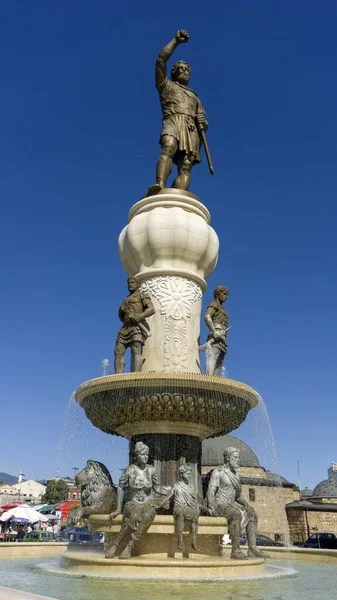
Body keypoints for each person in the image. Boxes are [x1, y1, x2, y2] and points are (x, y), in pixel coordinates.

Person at [153, 29, 208, 192]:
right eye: (181, 68)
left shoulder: (194, 97)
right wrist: (176, 41)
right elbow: (160, 60)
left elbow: (203, 120)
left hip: (190, 128)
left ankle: (178, 195)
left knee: (186, 165)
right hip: (172, 120)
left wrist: (202, 123)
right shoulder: (166, 86)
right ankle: (160, 184)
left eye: (187, 70)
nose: (184, 71)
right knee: (168, 147)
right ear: (173, 72)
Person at [107, 441, 169, 559]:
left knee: (149, 515)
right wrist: (118, 509)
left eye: (146, 454)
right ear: (137, 455)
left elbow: (157, 488)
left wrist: (169, 492)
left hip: (147, 501)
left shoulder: (152, 470)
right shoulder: (129, 470)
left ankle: (130, 545)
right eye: (142, 454)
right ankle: (116, 543)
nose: (145, 456)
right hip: (132, 501)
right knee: (134, 516)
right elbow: (120, 487)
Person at [207, 447, 267, 560]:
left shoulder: (236, 475)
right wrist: (211, 507)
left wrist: (246, 505)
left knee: (252, 513)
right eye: (235, 457)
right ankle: (235, 550)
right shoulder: (218, 472)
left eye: (238, 457)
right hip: (220, 505)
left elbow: (238, 496)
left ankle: (252, 548)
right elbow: (211, 491)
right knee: (235, 513)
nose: (237, 460)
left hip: (231, 504)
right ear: (228, 458)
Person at [114, 277, 155, 373]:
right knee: (117, 351)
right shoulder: (125, 299)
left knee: (136, 350)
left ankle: (136, 376)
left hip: (137, 327)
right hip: (125, 327)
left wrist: (140, 316)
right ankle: (118, 377)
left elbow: (151, 309)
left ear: (138, 285)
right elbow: (121, 318)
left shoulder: (142, 295)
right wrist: (121, 310)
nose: (130, 284)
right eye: (128, 283)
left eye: (132, 282)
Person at [168, 464, 200, 553]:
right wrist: (159, 504)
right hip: (179, 507)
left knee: (195, 516)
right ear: (181, 474)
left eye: (190, 474)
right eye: (187, 474)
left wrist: (199, 508)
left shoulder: (192, 487)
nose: (189, 476)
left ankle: (193, 541)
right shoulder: (177, 485)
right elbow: (169, 496)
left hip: (189, 507)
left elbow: (195, 500)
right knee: (180, 513)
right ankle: (180, 540)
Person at [203, 286, 229, 376]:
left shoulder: (223, 310)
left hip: (223, 337)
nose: (226, 296)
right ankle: (208, 380)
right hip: (216, 334)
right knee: (212, 358)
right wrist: (214, 331)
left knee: (219, 363)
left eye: (227, 295)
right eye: (224, 294)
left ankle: (215, 382)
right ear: (217, 294)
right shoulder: (214, 304)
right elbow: (207, 316)